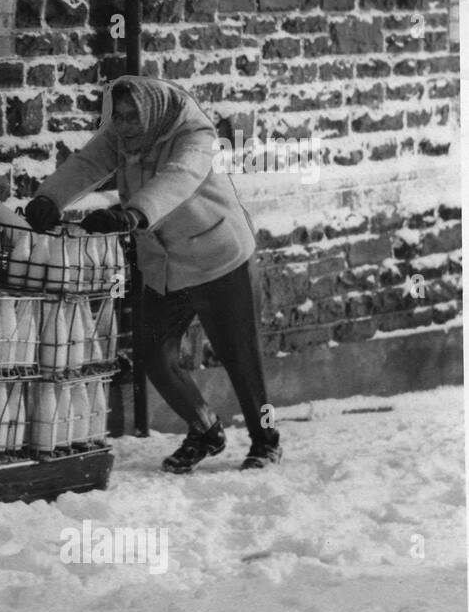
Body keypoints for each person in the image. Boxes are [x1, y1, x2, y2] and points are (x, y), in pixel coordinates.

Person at [25, 75, 281, 472]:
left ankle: (266, 441)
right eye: (119, 115)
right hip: (165, 263)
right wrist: (48, 198)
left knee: (240, 357)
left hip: (217, 256)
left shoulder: (195, 136)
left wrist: (131, 213)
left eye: (132, 117)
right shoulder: (123, 135)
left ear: (153, 112)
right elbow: (88, 163)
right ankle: (205, 429)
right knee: (154, 355)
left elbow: (178, 177)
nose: (124, 124)